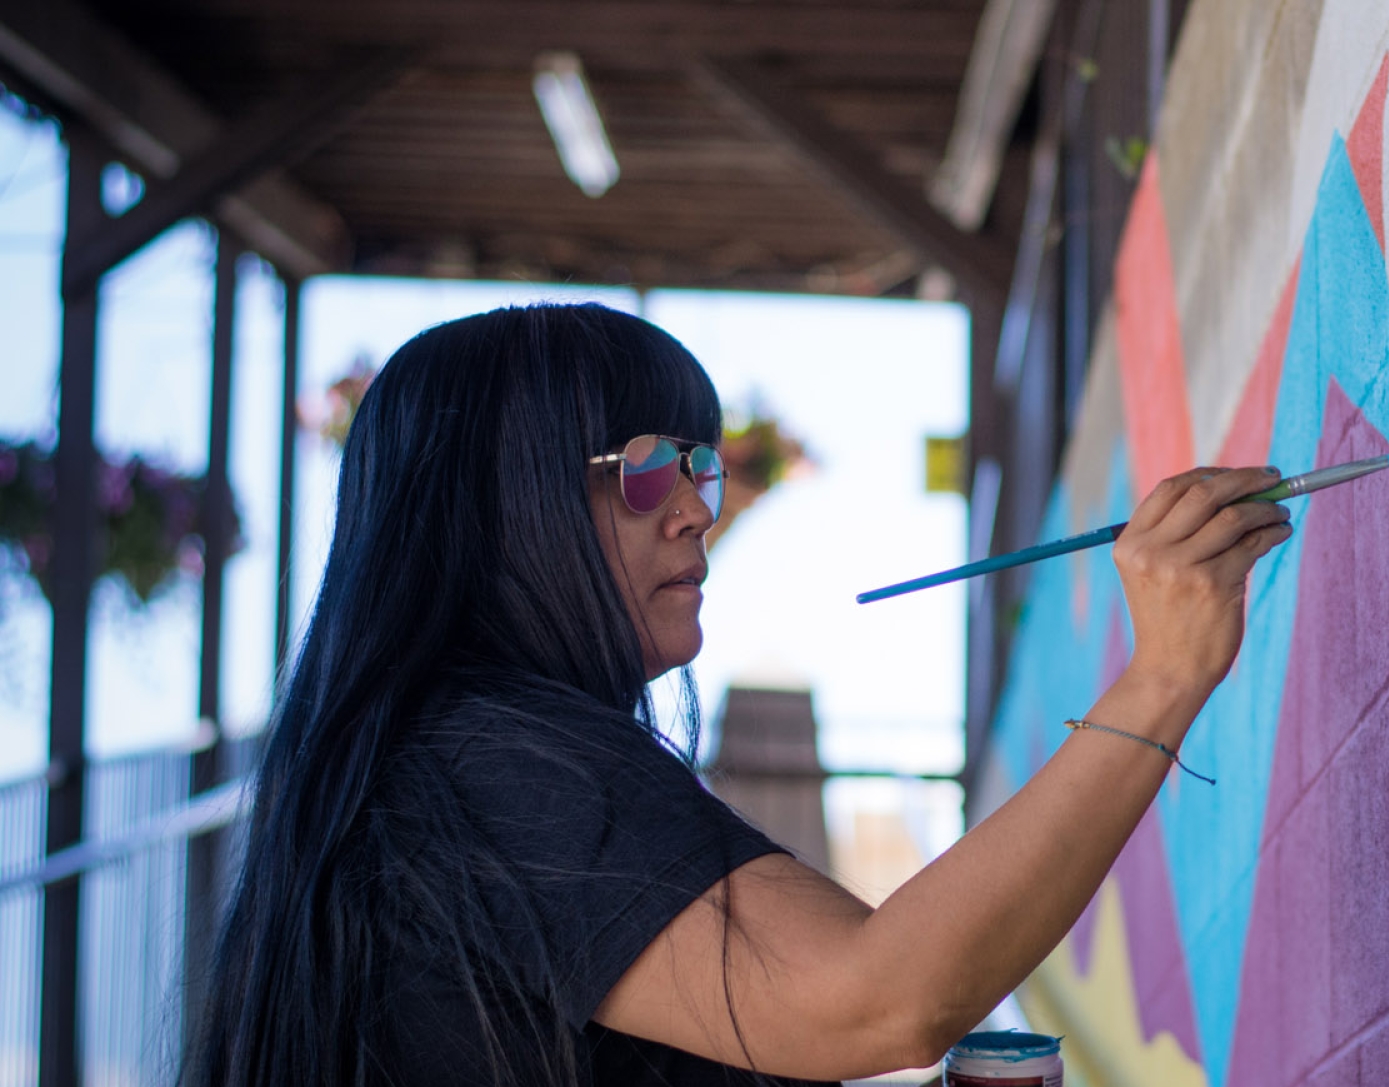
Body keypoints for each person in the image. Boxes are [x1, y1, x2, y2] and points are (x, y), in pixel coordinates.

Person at [184, 303, 1293, 1086]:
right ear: (501, 509)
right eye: (648, 468)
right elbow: (879, 999)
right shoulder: (485, 764)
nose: (697, 508)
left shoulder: (429, 778)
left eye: (701, 465)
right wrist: (1163, 672)